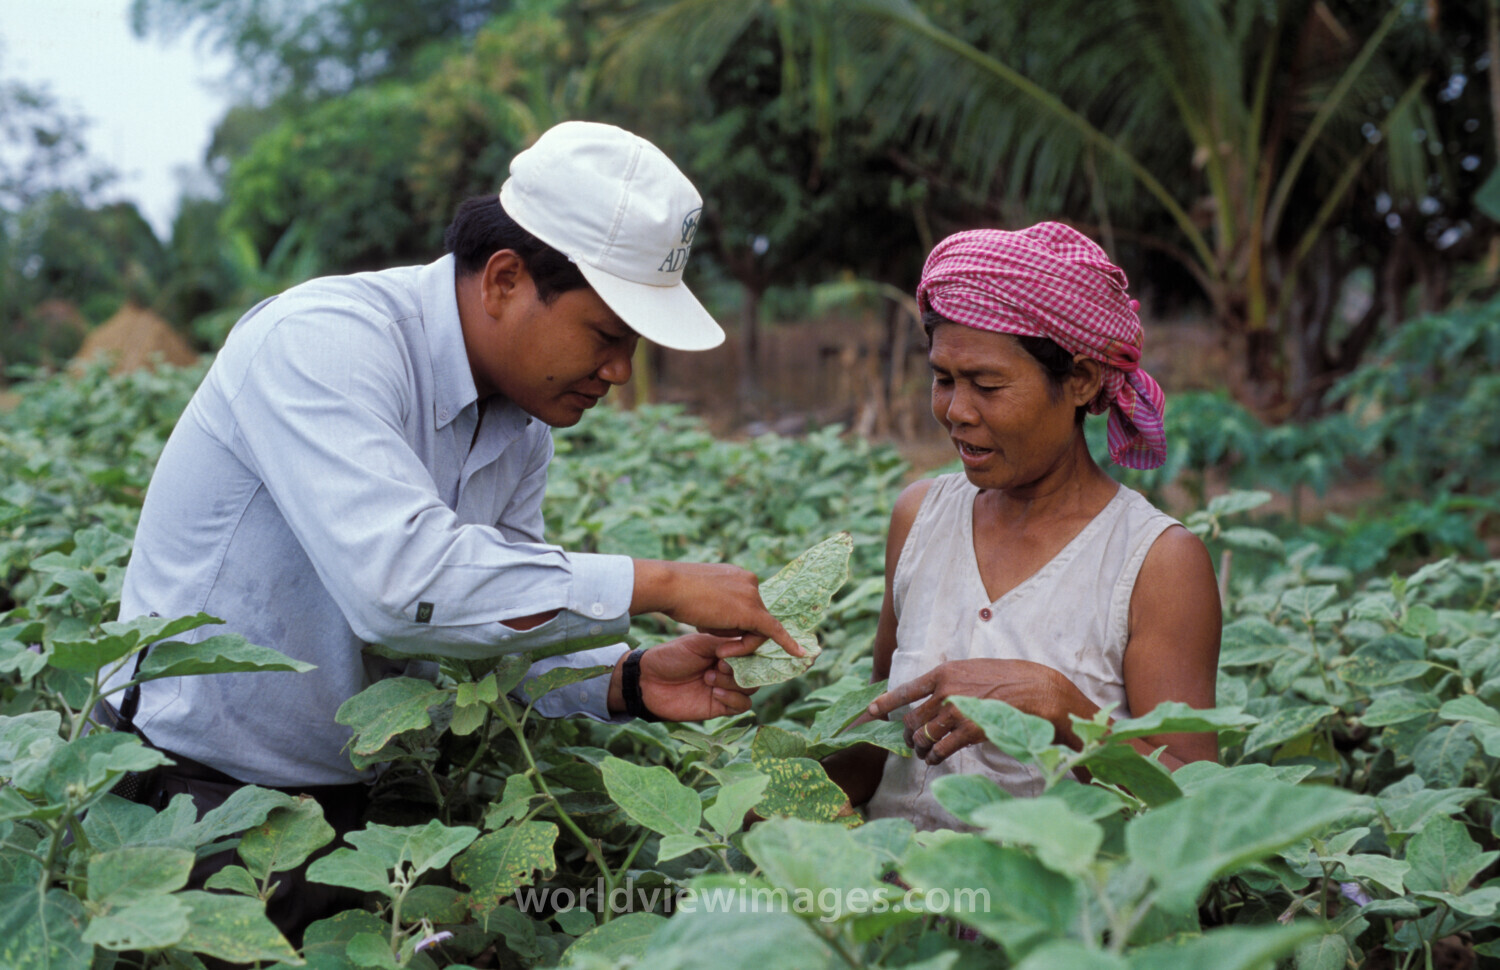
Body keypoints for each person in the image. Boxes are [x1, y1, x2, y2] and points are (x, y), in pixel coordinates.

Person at [99, 120, 802, 936]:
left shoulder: (521, 427)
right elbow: (402, 589)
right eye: (607, 336)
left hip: (352, 806)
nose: (619, 371)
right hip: (191, 802)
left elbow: (491, 612)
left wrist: (630, 680)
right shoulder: (322, 343)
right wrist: (661, 583)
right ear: (504, 280)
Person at [823, 224, 1221, 830]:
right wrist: (776, 799)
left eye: (987, 385)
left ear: (1082, 381)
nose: (956, 412)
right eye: (943, 379)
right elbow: (883, 732)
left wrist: (1060, 709)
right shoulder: (920, 518)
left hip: (1047, 914)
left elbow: (1192, 805)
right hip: (888, 905)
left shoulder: (1156, 563)